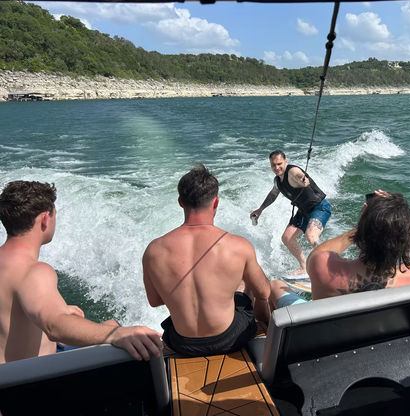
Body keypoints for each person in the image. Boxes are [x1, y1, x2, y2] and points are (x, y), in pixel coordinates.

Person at [0, 180, 163, 364]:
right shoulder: (33, 271)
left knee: (109, 324)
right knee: (119, 332)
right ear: (46, 219)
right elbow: (54, 326)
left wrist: (62, 309)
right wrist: (117, 335)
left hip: (8, 374)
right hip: (31, 380)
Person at [143, 164, 270, 357]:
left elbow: (154, 301)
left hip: (181, 342)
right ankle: (264, 329)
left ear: (180, 202)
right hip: (229, 339)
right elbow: (264, 292)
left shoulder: (154, 250)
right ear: (216, 202)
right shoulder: (238, 245)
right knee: (247, 284)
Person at [270, 189, 410, 307]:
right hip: (381, 343)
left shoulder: (323, 267)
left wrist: (367, 222)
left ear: (363, 231)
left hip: (327, 341)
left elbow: (320, 252)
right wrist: (402, 220)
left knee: (275, 285)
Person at [250, 150, 331, 276]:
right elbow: (273, 194)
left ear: (285, 161)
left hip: (319, 207)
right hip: (303, 211)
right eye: (273, 165)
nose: (277, 168)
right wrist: (260, 209)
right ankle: (304, 267)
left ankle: (331, 265)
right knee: (287, 238)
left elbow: (300, 176)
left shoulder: (292, 172)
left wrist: (302, 179)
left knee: (311, 236)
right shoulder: (277, 181)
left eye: (279, 164)